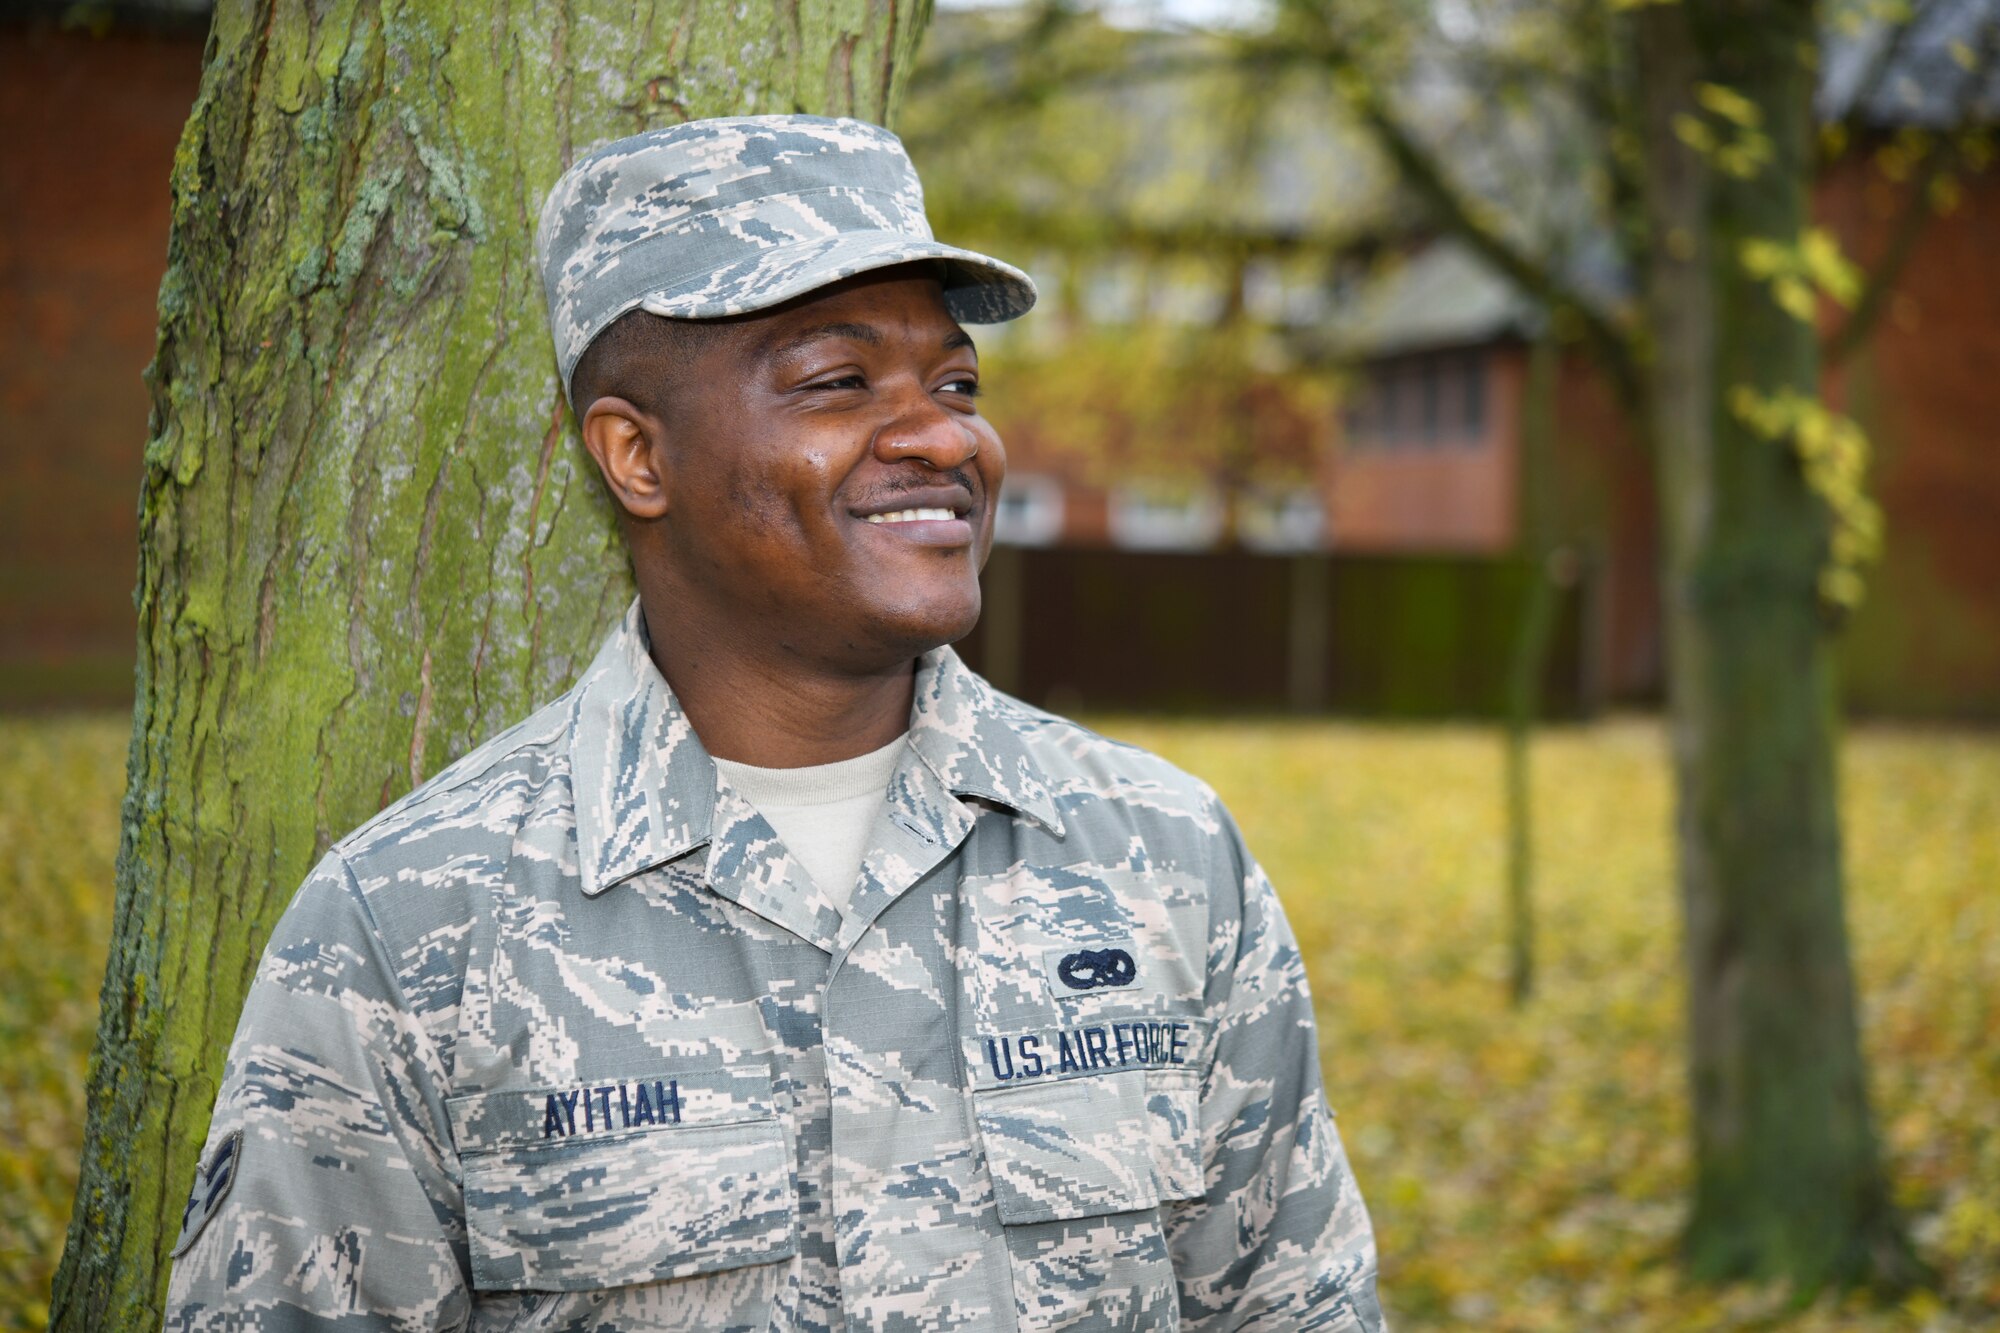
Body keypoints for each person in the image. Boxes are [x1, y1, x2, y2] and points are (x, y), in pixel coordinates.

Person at [165, 114, 1382, 1332]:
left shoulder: (1160, 858)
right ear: (636, 457)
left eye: (955, 383)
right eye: (837, 383)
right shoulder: (412, 922)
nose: (943, 435)